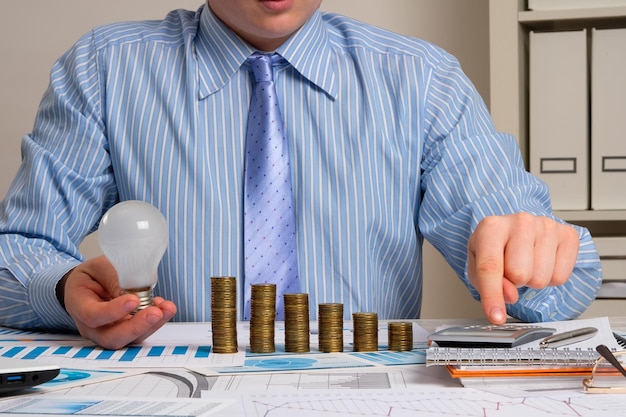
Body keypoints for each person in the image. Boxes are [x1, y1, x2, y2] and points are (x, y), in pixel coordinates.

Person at [0, 0, 601, 350]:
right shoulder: (104, 68)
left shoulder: (423, 81)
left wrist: (541, 256)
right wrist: (60, 290)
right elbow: (14, 253)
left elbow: (558, 290)